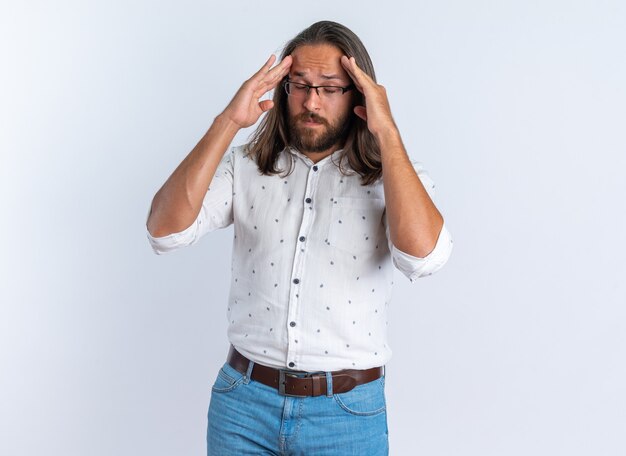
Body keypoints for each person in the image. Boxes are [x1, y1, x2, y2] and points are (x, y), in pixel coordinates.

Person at [146, 20, 453, 456]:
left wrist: (388, 135)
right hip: (243, 407)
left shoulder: (395, 175)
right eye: (299, 85)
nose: (311, 101)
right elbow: (164, 230)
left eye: (330, 88)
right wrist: (229, 121)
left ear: (359, 95)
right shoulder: (247, 167)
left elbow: (423, 258)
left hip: (346, 415)